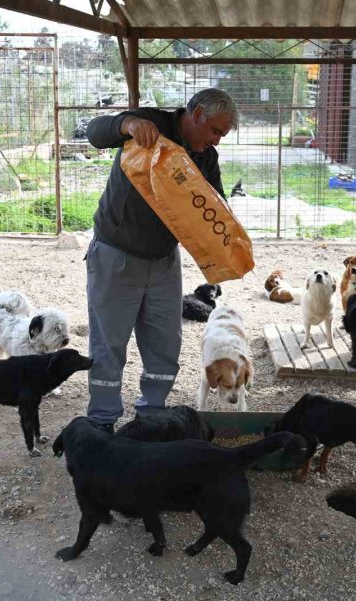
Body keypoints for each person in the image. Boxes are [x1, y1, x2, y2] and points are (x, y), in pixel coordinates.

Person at [84, 88, 239, 430]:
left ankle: (151, 414)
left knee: (165, 344)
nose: (216, 141)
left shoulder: (205, 157)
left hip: (164, 261)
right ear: (197, 114)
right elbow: (95, 132)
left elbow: (217, 208)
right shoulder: (152, 123)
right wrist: (127, 123)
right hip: (116, 255)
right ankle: (102, 421)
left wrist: (231, 241)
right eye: (215, 131)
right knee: (108, 344)